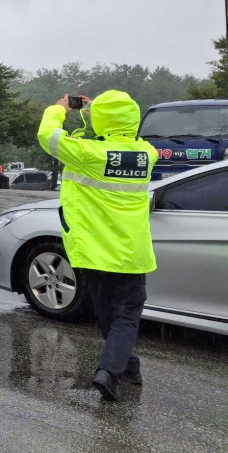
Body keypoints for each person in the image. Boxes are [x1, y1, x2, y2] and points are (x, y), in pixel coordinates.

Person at [37, 90, 157, 403]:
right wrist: (95, 111)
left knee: (107, 314)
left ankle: (124, 368)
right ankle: (112, 370)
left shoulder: (87, 153)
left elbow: (47, 135)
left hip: (93, 251)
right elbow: (116, 135)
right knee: (127, 315)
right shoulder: (147, 152)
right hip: (131, 252)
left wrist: (59, 109)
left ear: (101, 120)